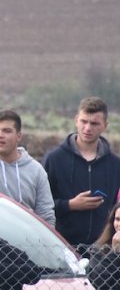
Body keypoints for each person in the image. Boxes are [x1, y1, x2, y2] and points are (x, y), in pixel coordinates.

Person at [43, 97, 117, 252]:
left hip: (103, 250)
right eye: (84, 121)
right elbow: (42, 205)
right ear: (76, 120)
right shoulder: (54, 159)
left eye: (94, 123)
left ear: (105, 125)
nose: (87, 128)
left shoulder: (115, 164)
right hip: (63, 246)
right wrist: (71, 205)